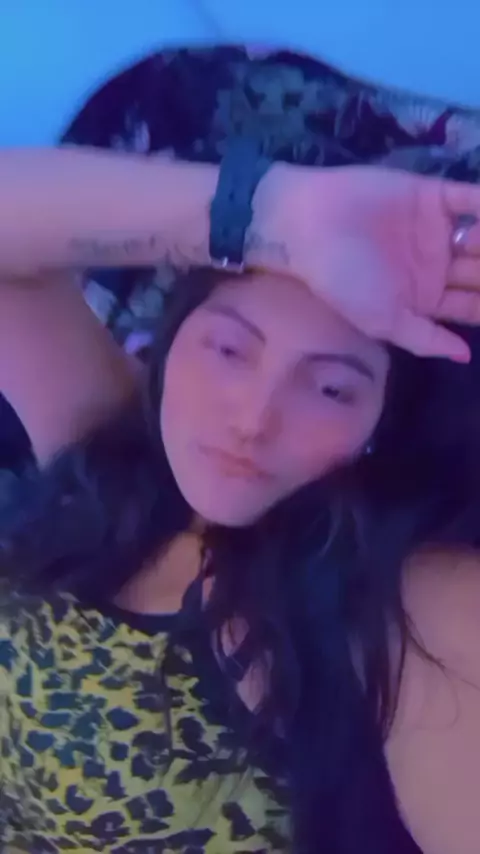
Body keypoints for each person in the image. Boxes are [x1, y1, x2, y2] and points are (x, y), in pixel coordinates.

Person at [2, 147, 480, 854]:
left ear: (382, 424)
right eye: (229, 349)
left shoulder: (416, 599)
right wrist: (271, 214)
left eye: (331, 388)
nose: (254, 418)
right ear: (174, 335)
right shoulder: (115, 455)